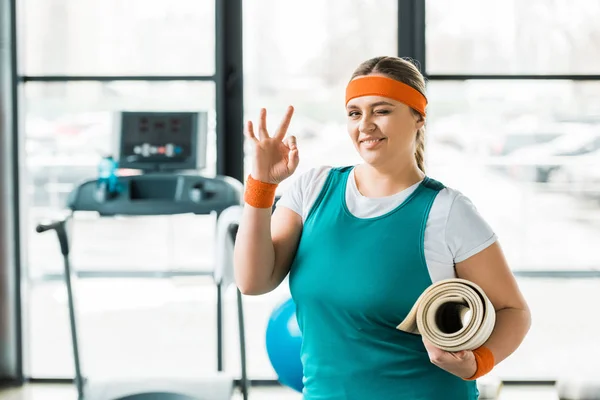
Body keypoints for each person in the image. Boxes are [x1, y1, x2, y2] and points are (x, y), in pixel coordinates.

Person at [233, 55, 531, 400]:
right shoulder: (312, 190)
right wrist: (260, 186)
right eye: (355, 113)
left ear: (418, 116)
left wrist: (477, 362)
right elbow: (252, 281)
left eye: (382, 110)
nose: (366, 125)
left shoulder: (447, 211)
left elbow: (514, 311)